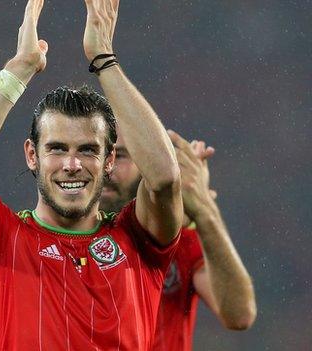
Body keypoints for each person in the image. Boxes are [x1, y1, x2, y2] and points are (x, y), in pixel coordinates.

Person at [0, 0, 183, 349]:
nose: (72, 164)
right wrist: (18, 70)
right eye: (57, 148)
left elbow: (165, 179)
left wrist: (104, 61)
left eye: (88, 150)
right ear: (32, 155)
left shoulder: (137, 241)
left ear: (109, 160)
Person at [100, 131, 256, 350]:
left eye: (122, 156)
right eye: (98, 153)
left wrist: (204, 211)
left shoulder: (182, 241)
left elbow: (239, 315)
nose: (107, 168)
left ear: (147, 167)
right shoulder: (56, 239)